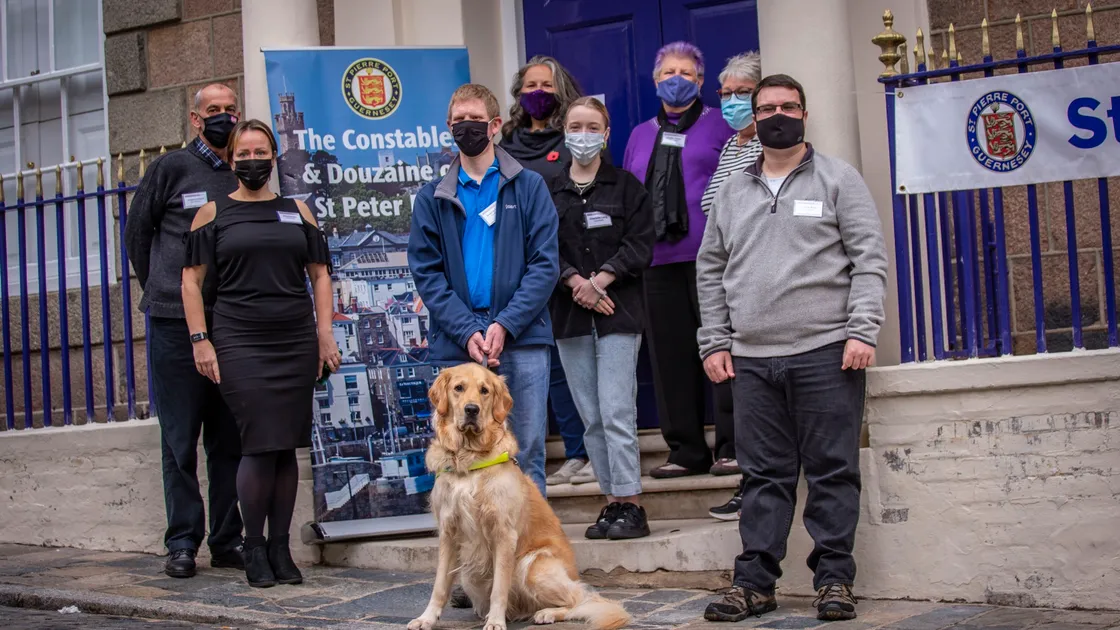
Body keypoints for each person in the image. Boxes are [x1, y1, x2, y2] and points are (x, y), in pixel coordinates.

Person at [696, 74, 887, 623]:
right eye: (767, 108)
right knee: (762, 475)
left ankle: (834, 582)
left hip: (827, 351)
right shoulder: (731, 191)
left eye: (788, 106)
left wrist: (862, 329)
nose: (777, 114)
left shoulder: (837, 179)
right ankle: (754, 584)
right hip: (752, 360)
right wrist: (714, 340)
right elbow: (710, 271)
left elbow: (869, 258)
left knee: (832, 471)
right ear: (753, 119)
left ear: (805, 112)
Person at [181, 119, 340, 588]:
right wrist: (199, 339)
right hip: (239, 341)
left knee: (286, 445)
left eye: (261, 152)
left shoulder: (299, 211)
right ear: (231, 160)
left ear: (274, 158)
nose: (253, 160)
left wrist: (324, 334)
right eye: (243, 153)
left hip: (294, 340)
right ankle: (252, 546)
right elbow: (191, 281)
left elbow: (321, 275)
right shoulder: (212, 214)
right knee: (257, 444)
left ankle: (280, 547)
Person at [408, 83, 559, 495]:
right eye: (458, 121)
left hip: (522, 338)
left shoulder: (528, 187)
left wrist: (505, 323)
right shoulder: (431, 197)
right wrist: (467, 330)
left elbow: (545, 264)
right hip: (459, 344)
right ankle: (475, 558)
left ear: (494, 125)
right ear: (448, 128)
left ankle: (528, 551)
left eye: (474, 120)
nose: (466, 128)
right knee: (456, 454)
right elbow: (428, 273)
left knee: (524, 452)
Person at [124, 83, 244, 579]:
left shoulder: (246, 166)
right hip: (175, 325)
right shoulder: (170, 169)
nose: (221, 117)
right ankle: (182, 542)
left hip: (231, 322)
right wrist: (161, 287)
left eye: (229, 110)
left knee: (228, 438)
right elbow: (137, 233)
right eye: (212, 111)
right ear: (196, 120)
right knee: (179, 437)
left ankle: (226, 540)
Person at [622, 41, 734, 479]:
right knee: (669, 358)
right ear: (654, 81)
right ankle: (685, 450)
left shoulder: (720, 125)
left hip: (712, 260)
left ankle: (731, 445)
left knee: (722, 351)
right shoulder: (639, 134)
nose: (676, 79)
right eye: (668, 72)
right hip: (656, 261)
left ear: (701, 81)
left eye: (686, 73)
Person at [549, 97, 654, 540]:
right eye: (576, 125)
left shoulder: (628, 187)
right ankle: (610, 502)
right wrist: (576, 284)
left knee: (615, 409)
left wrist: (602, 281)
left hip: (619, 313)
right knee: (591, 415)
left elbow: (642, 243)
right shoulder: (547, 192)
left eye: (593, 127)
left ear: (606, 134)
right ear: (565, 131)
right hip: (570, 317)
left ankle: (631, 502)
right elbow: (540, 250)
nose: (584, 134)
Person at [498, 56, 594, 487]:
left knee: (578, 361)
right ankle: (572, 450)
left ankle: (592, 451)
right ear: (519, 93)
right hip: (522, 269)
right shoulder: (506, 141)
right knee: (547, 365)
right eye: (530, 84)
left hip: (569, 261)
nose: (538, 92)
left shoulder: (574, 136)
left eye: (547, 84)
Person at [701, 52, 765, 522]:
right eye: (725, 94)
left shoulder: (767, 146)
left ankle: (757, 485)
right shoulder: (731, 146)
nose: (731, 102)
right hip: (726, 280)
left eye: (742, 93)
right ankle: (751, 482)